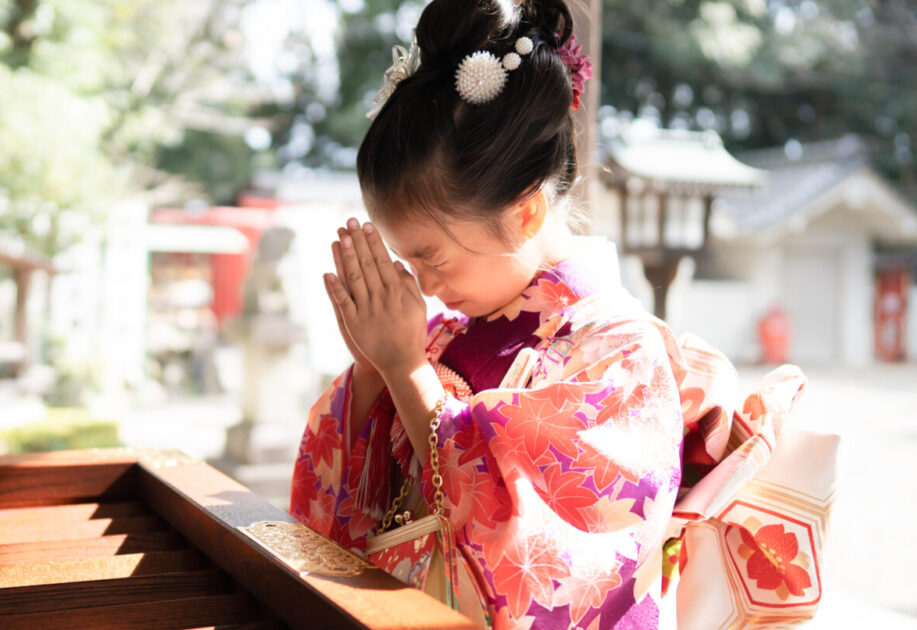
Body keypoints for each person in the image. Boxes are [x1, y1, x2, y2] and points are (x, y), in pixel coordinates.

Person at [288, 1, 829, 628]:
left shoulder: (621, 356)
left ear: (524, 214)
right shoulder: (441, 338)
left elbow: (543, 567)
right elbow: (341, 517)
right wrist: (374, 372)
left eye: (430, 255)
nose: (424, 285)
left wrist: (407, 370)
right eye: (407, 260)